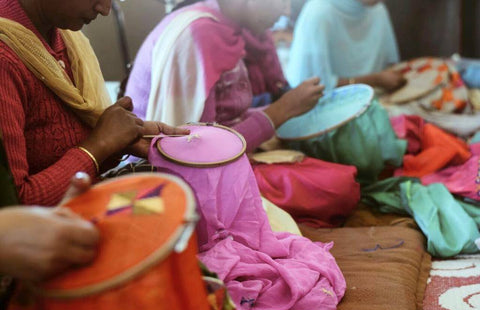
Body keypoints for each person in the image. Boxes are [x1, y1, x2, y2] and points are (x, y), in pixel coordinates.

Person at [0, 0, 188, 206]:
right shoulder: (5, 60)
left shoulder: (66, 37)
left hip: (79, 208)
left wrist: (121, 140)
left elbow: (63, 151)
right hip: (45, 232)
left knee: (185, 201)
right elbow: (14, 210)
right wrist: (99, 146)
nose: (105, 9)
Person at [126, 0, 324, 153]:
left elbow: (227, 120)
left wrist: (291, 107)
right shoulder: (197, 34)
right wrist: (281, 111)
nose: (286, 11)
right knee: (332, 186)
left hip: (225, 152)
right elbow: (195, 151)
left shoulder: (227, 28)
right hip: (185, 172)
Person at [287, 0, 406, 92]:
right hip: (328, 106)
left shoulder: (377, 9)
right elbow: (314, 86)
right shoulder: (319, 13)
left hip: (375, 96)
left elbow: (389, 64)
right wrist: (375, 80)